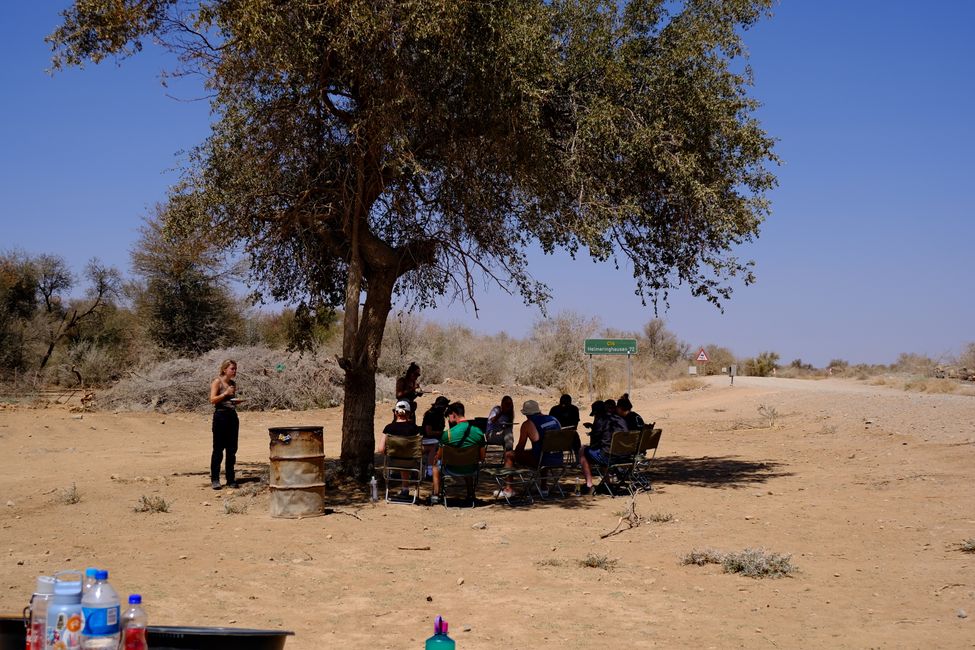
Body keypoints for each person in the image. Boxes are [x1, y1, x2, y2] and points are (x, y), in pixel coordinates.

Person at [497, 399, 563, 499]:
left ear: (526, 414)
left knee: (509, 455)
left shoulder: (528, 424)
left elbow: (520, 447)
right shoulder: (554, 419)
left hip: (541, 460)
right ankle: (544, 487)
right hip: (558, 458)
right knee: (543, 452)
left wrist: (517, 457)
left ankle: (508, 489)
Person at [431, 402, 485, 505]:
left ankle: (436, 495)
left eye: (449, 416)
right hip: (471, 469)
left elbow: (439, 457)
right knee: (468, 461)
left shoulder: (448, 434)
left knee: (435, 465)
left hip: (452, 469)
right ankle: (470, 494)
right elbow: (482, 457)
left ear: (454, 414)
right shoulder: (478, 432)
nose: (448, 419)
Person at [577, 400, 628, 494]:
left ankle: (589, 485)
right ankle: (607, 483)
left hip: (609, 457)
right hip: (625, 456)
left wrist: (594, 430)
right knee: (603, 450)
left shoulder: (601, 420)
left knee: (583, 450)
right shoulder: (620, 419)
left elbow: (594, 442)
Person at [377, 400, 421, 498]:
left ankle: (405, 489)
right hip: (411, 463)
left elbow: (380, 449)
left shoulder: (389, 428)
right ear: (409, 413)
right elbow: (420, 448)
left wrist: (389, 452)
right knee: (405, 459)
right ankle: (405, 489)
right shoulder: (415, 428)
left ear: (395, 413)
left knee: (401, 458)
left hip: (393, 462)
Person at [209, 359, 240, 490]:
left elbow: (230, 401)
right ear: (224, 369)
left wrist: (236, 401)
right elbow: (212, 400)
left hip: (232, 416)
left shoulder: (233, 383)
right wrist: (225, 393)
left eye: (235, 369)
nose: (234, 371)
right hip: (220, 417)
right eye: (232, 368)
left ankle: (230, 478)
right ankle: (215, 479)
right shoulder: (217, 382)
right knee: (218, 449)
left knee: (232, 449)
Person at [421, 395, 451, 478]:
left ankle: (442, 467)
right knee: (435, 445)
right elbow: (429, 432)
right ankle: (430, 471)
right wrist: (441, 433)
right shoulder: (431, 415)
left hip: (435, 438)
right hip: (428, 439)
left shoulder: (440, 415)